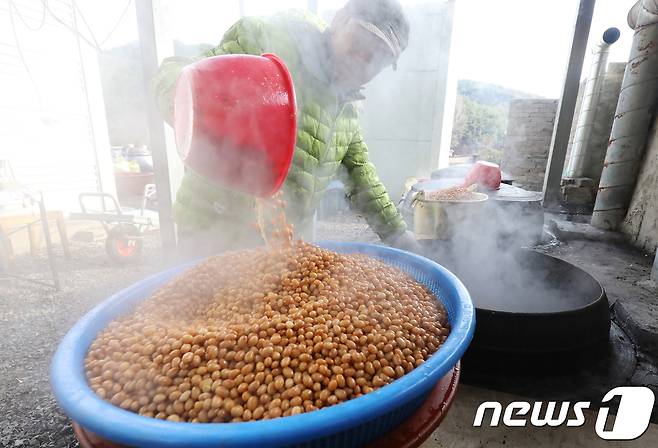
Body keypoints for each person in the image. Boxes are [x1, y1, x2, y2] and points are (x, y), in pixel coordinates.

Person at [153, 0, 419, 254]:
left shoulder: (346, 108)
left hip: (277, 243)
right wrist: (189, 108)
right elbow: (174, 74)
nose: (363, 60)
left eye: (378, 58)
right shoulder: (267, 39)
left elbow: (362, 177)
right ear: (339, 20)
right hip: (212, 230)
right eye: (361, 41)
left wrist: (400, 236)